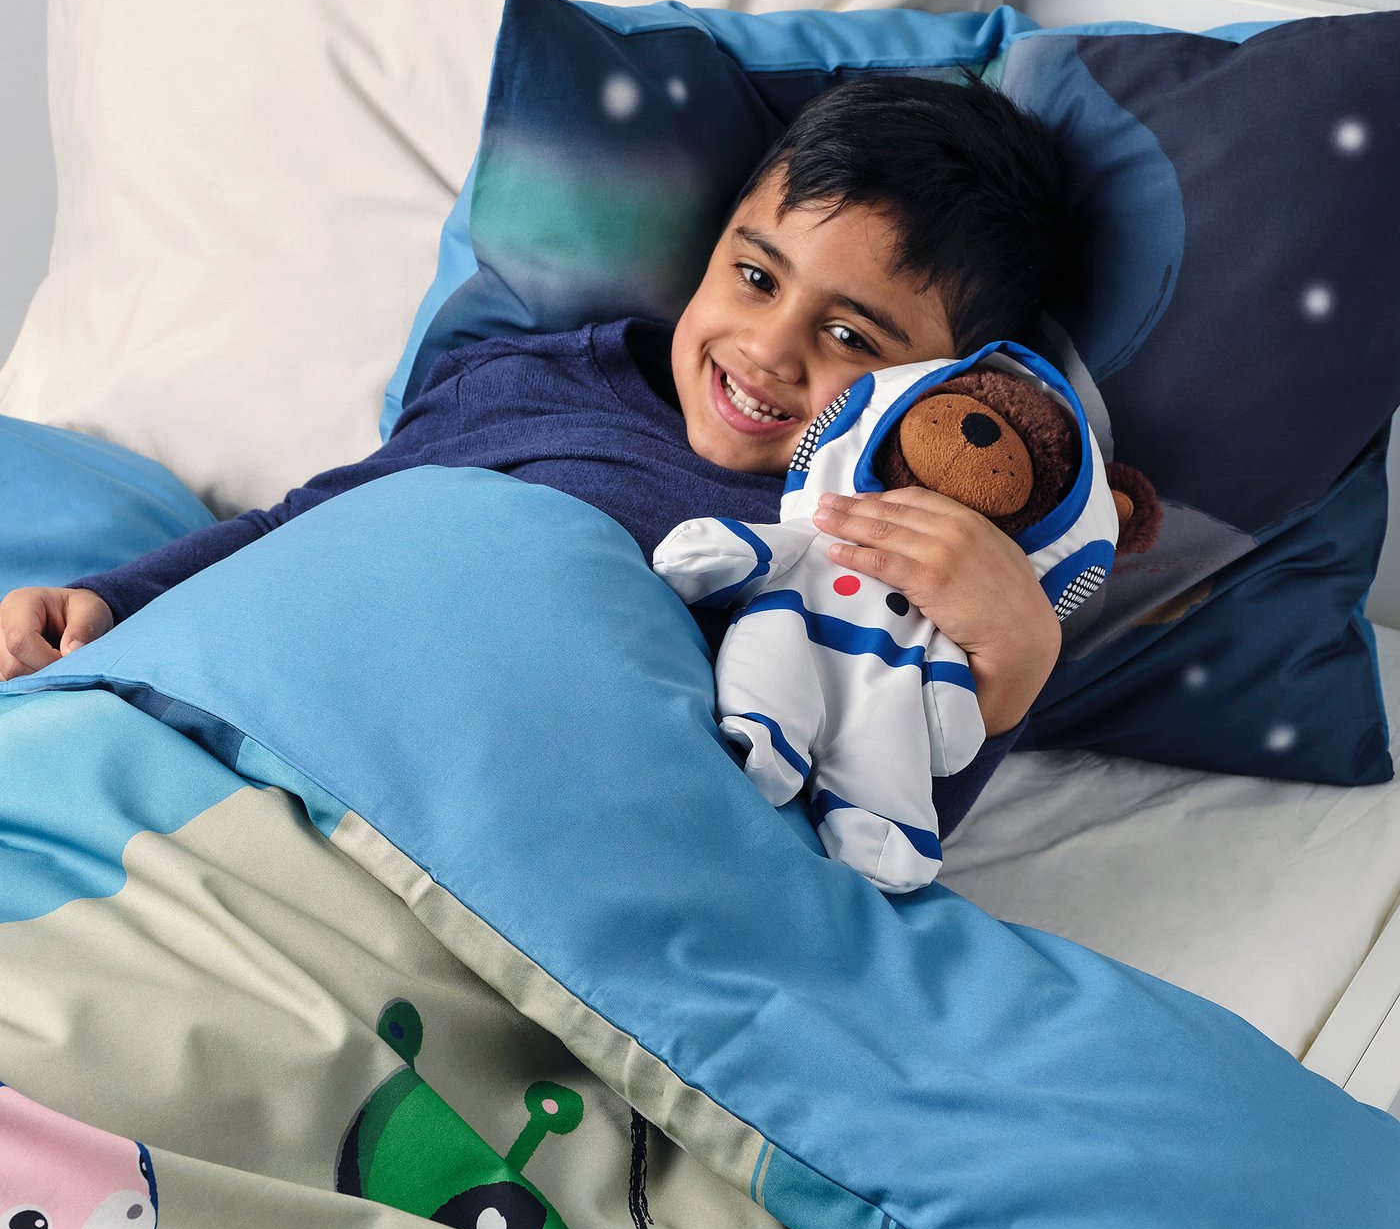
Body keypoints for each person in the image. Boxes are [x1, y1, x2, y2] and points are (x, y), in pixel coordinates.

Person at [0, 71, 1074, 833]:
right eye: (755, 278)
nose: (768, 348)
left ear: (952, 387)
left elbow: (875, 815)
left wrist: (1012, 663)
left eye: (850, 337)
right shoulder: (531, 383)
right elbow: (303, 527)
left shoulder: (890, 552)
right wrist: (109, 602)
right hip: (272, 740)